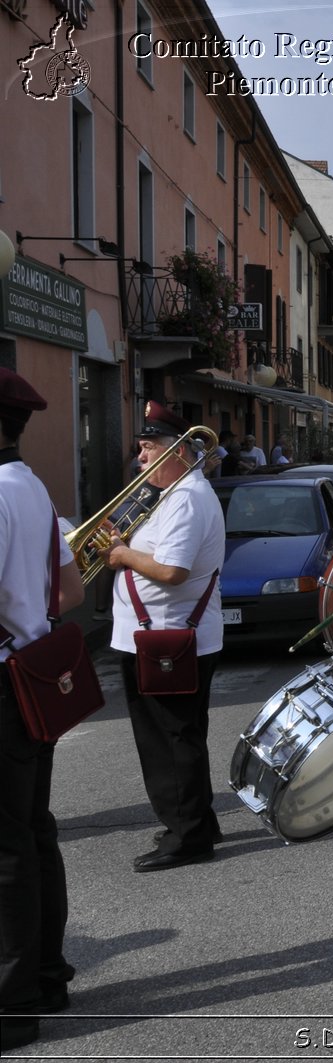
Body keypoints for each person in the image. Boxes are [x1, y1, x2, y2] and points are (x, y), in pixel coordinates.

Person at [0, 369, 86, 1053]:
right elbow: (72, 587)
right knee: (33, 831)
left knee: (6, 846)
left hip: (4, 682)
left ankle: (14, 999)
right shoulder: (31, 488)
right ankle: (49, 972)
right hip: (29, 674)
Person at [104, 403, 226, 871]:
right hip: (158, 635)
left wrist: (120, 556)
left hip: (168, 638)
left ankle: (187, 836)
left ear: (176, 450)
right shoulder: (173, 493)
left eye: (148, 447)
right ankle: (195, 820)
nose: (140, 457)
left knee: (169, 739)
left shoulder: (187, 497)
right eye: (140, 448)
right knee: (181, 735)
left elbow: (172, 571)